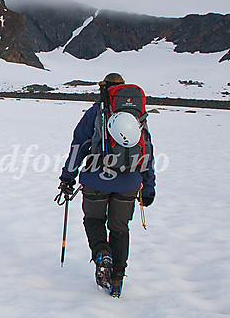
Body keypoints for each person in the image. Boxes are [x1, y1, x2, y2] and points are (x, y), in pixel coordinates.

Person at [58, 72, 156, 297]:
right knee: (120, 228)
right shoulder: (138, 116)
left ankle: (102, 254)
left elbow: (79, 146)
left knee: (93, 219)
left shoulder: (95, 113)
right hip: (129, 181)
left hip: (96, 179)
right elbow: (147, 151)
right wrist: (148, 187)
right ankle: (117, 280)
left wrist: (67, 178)